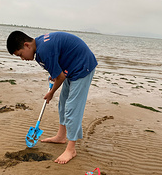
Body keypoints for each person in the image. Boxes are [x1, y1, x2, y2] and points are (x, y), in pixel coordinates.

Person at [6, 30, 97, 164]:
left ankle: (71, 149)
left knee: (72, 107)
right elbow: (57, 67)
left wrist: (51, 92)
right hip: (70, 67)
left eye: (20, 54)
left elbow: (60, 77)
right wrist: (54, 74)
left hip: (82, 67)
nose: (22, 59)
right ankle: (61, 136)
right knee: (63, 103)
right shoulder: (39, 48)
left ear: (27, 45)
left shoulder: (43, 50)